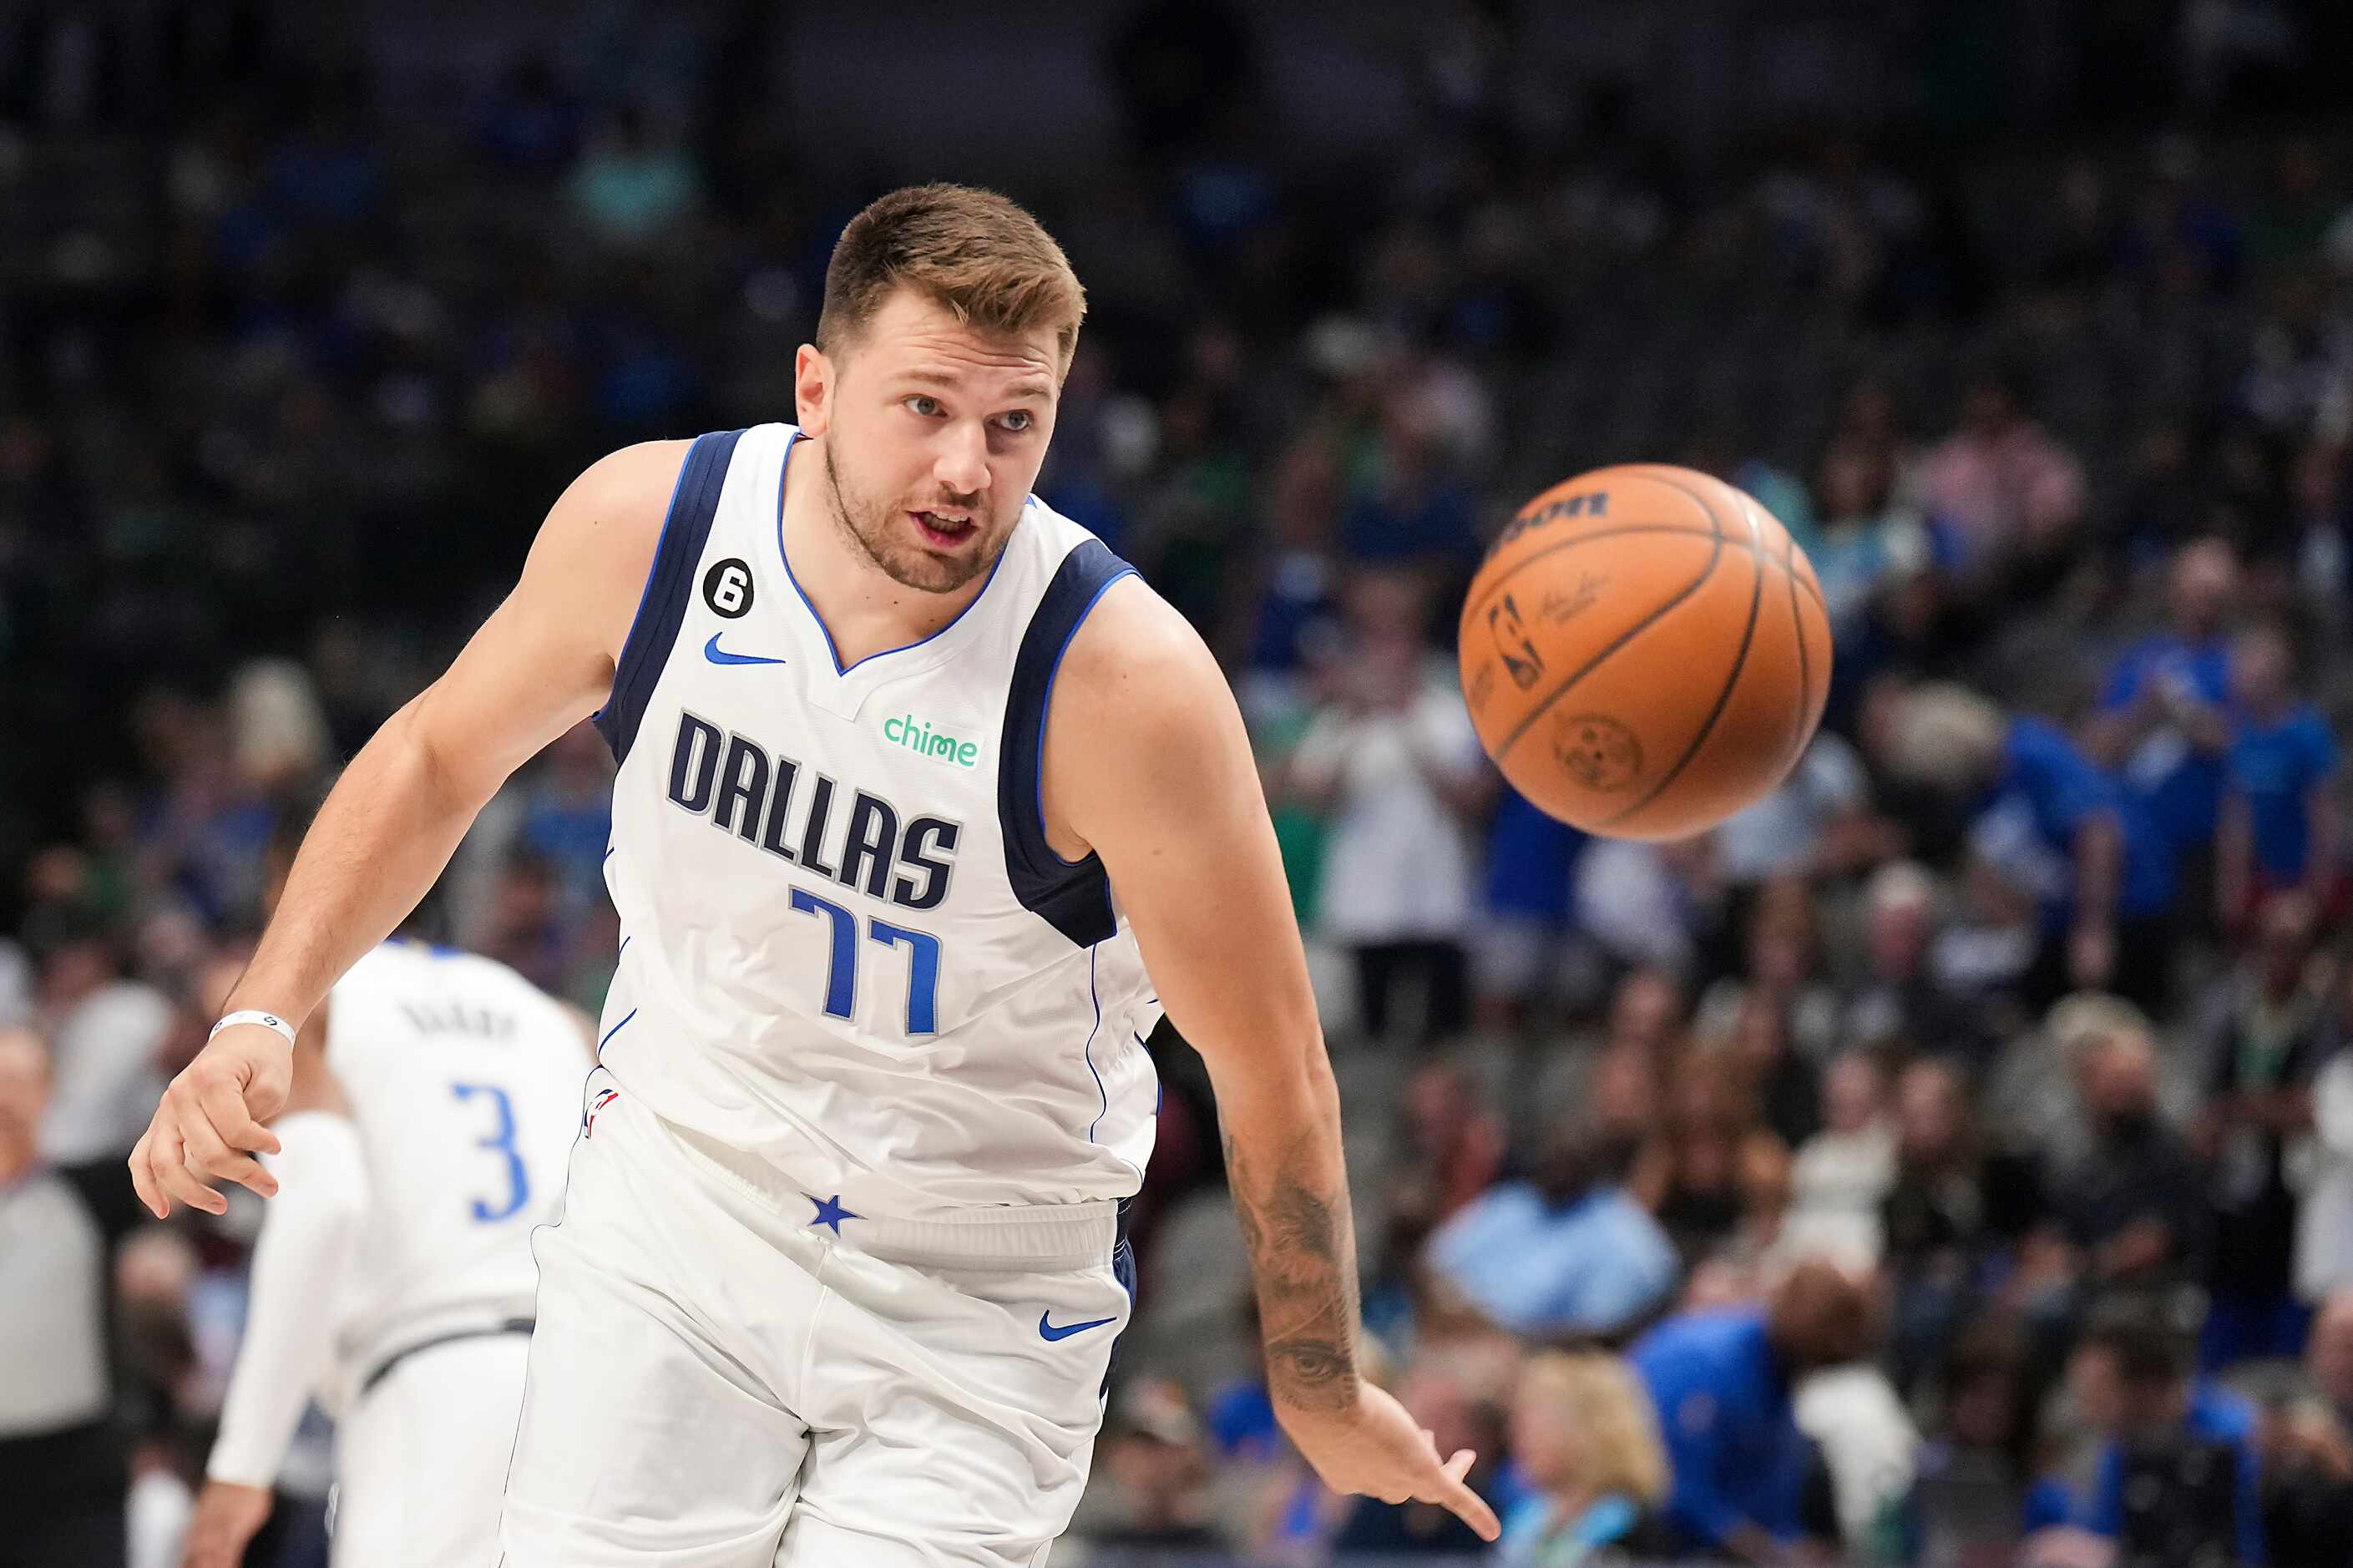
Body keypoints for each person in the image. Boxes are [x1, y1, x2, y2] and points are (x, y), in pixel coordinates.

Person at [129, 183, 1496, 1565]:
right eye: (925, 408)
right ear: (816, 387)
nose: (970, 464)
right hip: (675, 1218)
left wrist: (1316, 1380)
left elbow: (1271, 1062)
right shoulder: (650, 525)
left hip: (972, 1295)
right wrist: (264, 1009)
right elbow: (432, 756)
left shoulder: (1123, 684)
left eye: (1014, 422)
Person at [178, 829, 595, 1568]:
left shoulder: (289, 1008)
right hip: (601, 1376)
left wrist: (242, 1465)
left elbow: (325, 1203)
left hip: (433, 1394)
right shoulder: (555, 1016)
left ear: (285, 890)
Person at [1627, 1257, 1872, 1561]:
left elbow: (1769, 1493)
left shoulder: (1779, 1374)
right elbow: (1676, 1490)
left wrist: (1792, 1545)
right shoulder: (1710, 1364)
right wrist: (1768, 1553)